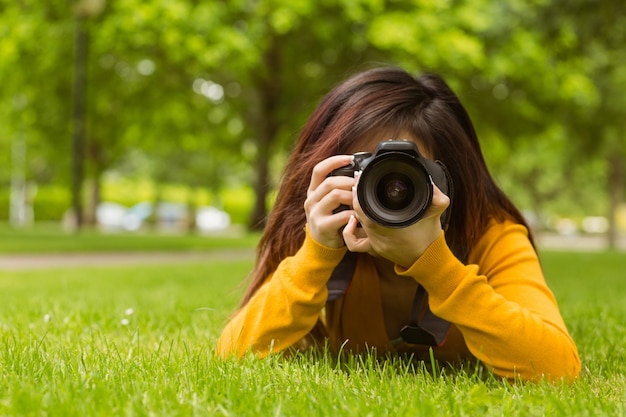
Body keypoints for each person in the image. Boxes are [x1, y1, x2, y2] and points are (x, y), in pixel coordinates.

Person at [216, 66, 581, 382]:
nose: (388, 188)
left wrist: (437, 264)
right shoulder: (323, 227)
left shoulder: (488, 234)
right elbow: (233, 356)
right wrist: (317, 255)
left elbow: (558, 368)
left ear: (450, 179)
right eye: (365, 168)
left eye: (410, 173)